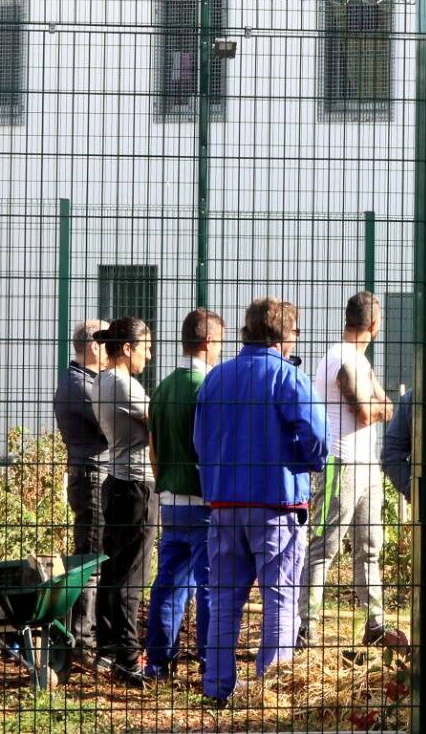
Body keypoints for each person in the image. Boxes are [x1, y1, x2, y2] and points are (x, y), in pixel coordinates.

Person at [193, 297, 329, 706]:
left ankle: (217, 689)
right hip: (276, 505)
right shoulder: (288, 378)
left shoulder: (216, 378)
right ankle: (270, 691)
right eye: (296, 333)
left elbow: (200, 440)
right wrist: (304, 461)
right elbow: (318, 438)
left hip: (223, 506)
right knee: (280, 599)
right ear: (285, 335)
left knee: (224, 602)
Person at [300, 292, 407, 650]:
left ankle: (375, 624)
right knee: (324, 545)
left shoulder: (359, 360)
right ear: (375, 326)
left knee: (369, 546)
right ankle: (306, 626)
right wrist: (379, 406)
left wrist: (379, 405)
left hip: (366, 466)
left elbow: (383, 405)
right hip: (340, 463)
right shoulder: (342, 359)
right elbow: (368, 411)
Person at [144, 308, 223, 680]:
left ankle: (158, 663)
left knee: (168, 584)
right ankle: (210, 663)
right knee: (209, 586)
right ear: (207, 341)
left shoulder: (162, 386)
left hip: (170, 499)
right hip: (204, 501)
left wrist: (163, 485)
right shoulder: (206, 387)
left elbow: (153, 448)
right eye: (219, 343)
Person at [93, 317, 156, 686]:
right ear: (128, 348)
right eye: (146, 347)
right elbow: (159, 419)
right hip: (136, 486)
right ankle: (129, 658)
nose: (149, 355)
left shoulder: (101, 380)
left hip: (115, 482)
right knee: (133, 575)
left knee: (114, 572)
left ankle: (107, 649)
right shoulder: (123, 385)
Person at [52, 318, 110, 660]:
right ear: (93, 346)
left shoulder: (84, 381)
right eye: (109, 343)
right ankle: (82, 641)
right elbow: (110, 428)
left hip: (92, 474)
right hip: (91, 477)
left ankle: (86, 634)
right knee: (91, 561)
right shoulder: (80, 385)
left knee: (94, 556)